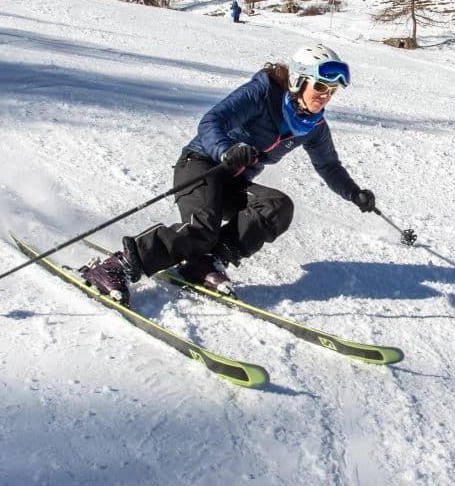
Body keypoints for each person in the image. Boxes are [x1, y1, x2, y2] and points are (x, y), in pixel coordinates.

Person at [83, 42, 376, 305]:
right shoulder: (263, 93)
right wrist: (226, 149)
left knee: (277, 207)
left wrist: (354, 192)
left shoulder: (313, 127)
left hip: (233, 182)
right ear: (300, 79)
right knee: (202, 231)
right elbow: (213, 120)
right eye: (321, 87)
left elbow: (328, 166)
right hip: (201, 165)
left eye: (332, 91)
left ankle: (206, 262)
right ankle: (117, 266)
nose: (326, 96)